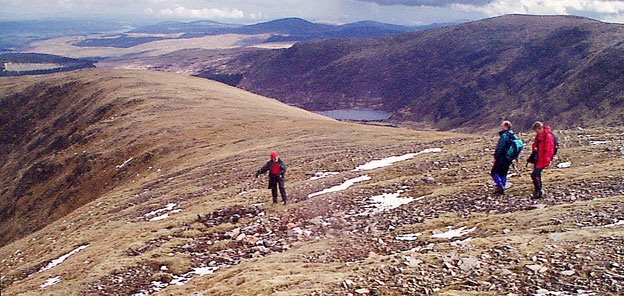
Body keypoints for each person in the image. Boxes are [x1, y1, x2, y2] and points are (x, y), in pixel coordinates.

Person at [529, 121, 555, 199]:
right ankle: (538, 191)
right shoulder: (539, 136)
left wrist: (547, 161)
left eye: (536, 130)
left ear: (540, 128)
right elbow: (535, 145)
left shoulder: (548, 137)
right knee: (537, 175)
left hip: (542, 159)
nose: (536, 132)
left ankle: (538, 191)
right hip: (538, 158)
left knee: (534, 175)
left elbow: (549, 150)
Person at [491, 120, 515, 195]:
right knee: (503, 173)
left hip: (502, 157)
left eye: (502, 125)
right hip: (509, 158)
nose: (501, 127)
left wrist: (496, 157)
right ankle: (502, 186)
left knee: (494, 172)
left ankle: (499, 186)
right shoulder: (513, 135)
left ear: (506, 126)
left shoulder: (504, 136)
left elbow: (500, 148)